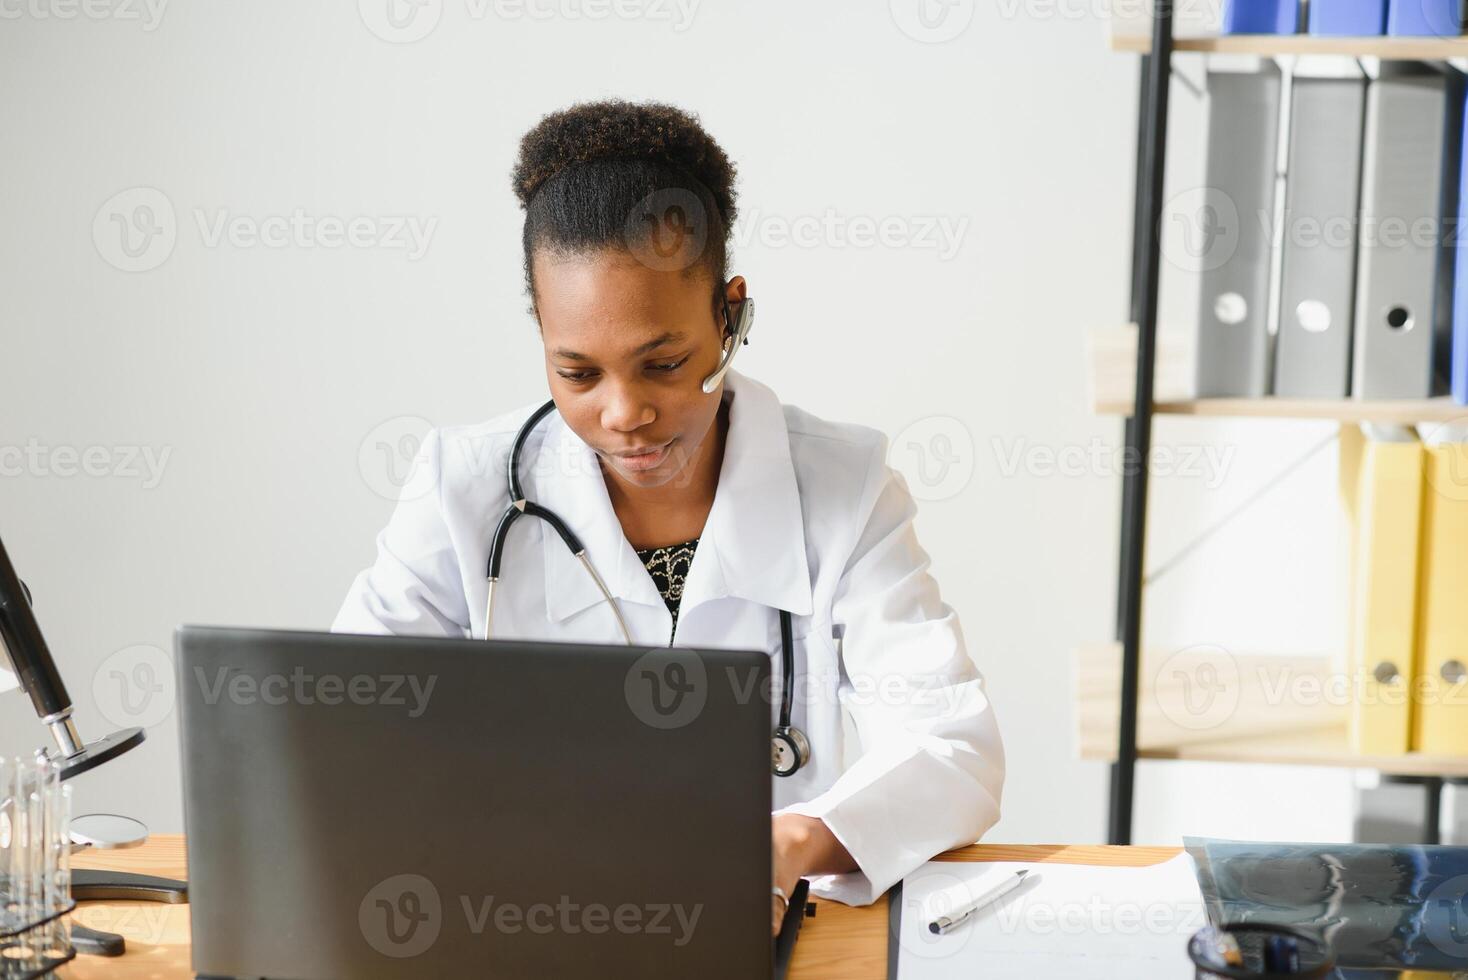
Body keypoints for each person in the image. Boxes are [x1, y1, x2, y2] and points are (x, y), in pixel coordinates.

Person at [332, 99, 1004, 935]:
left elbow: (952, 750)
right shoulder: (460, 488)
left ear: (730, 314)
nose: (624, 413)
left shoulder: (843, 485)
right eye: (577, 373)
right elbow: (344, 731)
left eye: (664, 363)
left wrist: (787, 842)